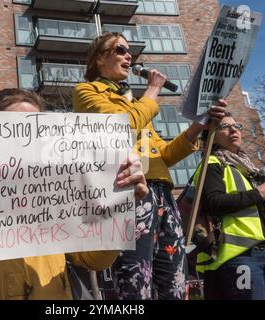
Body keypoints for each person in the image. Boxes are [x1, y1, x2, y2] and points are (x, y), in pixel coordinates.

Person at [0, 88, 149, 300]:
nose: (25, 141)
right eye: (13, 130)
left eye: (36, 131)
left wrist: (118, 204)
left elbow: (95, 260)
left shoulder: (55, 194)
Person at [72, 32, 226, 300]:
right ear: (98, 59)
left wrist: (199, 124)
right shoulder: (87, 92)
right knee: (135, 279)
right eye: (120, 49)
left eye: (129, 51)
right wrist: (153, 90)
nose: (128, 56)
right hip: (131, 193)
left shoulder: (135, 102)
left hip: (163, 194)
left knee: (174, 279)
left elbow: (162, 155)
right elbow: (122, 127)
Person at [194, 113, 265, 300]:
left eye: (237, 126)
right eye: (225, 127)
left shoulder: (249, 170)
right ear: (212, 135)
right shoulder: (211, 164)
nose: (234, 130)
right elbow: (214, 203)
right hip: (239, 256)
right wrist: (258, 194)